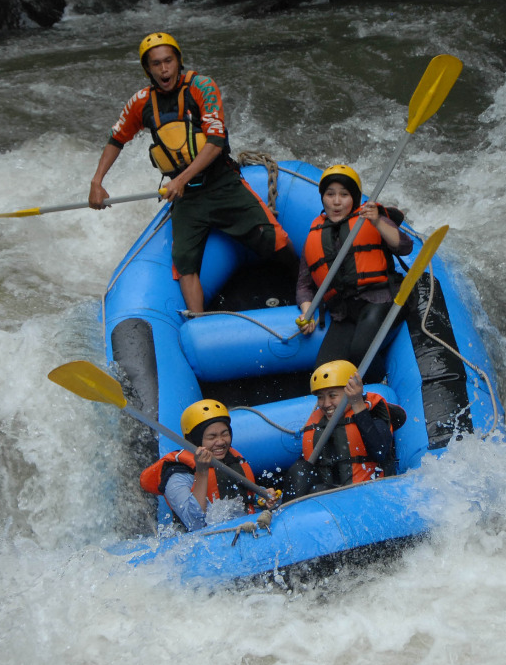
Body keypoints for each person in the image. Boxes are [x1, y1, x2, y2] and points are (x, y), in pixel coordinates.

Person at [88, 32, 295, 314]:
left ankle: (308, 287)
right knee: (185, 263)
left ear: (178, 61)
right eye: (156, 64)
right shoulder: (141, 102)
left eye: (168, 61)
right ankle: (198, 322)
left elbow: (215, 142)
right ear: (147, 69)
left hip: (221, 183)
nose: (164, 70)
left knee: (275, 239)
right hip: (187, 198)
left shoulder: (202, 87)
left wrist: (181, 180)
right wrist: (97, 181)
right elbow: (116, 140)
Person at [295, 164, 413, 366]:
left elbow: (404, 247)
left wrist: (377, 222)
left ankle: (378, 385)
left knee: (360, 352)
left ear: (354, 198)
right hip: (345, 313)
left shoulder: (372, 218)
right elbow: (304, 286)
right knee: (325, 369)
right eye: (330, 194)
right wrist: (307, 311)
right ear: (323, 197)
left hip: (381, 299)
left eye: (344, 195)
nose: (337, 202)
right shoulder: (314, 236)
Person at [138, 398, 273, 532]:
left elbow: (242, 498)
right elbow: (194, 524)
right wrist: (201, 472)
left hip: (243, 528)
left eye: (224, 434)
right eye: (211, 437)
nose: (220, 442)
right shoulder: (177, 474)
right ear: (196, 440)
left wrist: (262, 498)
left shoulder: (231, 459)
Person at [281, 360, 406, 501]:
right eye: (320, 397)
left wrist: (357, 404)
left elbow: (380, 452)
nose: (326, 404)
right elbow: (305, 471)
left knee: (320, 490)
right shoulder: (320, 426)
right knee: (300, 470)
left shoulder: (372, 415)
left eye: (332, 395)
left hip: (371, 495)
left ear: (350, 392)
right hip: (336, 496)